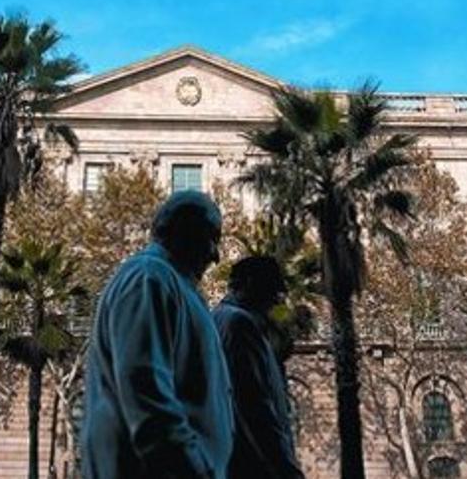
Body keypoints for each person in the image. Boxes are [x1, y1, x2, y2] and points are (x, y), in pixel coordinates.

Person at [82, 191, 234, 479]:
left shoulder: (170, 283)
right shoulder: (149, 278)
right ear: (184, 232)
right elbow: (147, 394)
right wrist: (196, 469)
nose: (215, 255)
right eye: (212, 237)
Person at [213, 256, 305, 479]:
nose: (277, 299)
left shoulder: (221, 319)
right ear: (250, 284)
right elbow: (253, 404)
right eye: (273, 289)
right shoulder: (239, 325)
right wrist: (286, 469)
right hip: (252, 466)